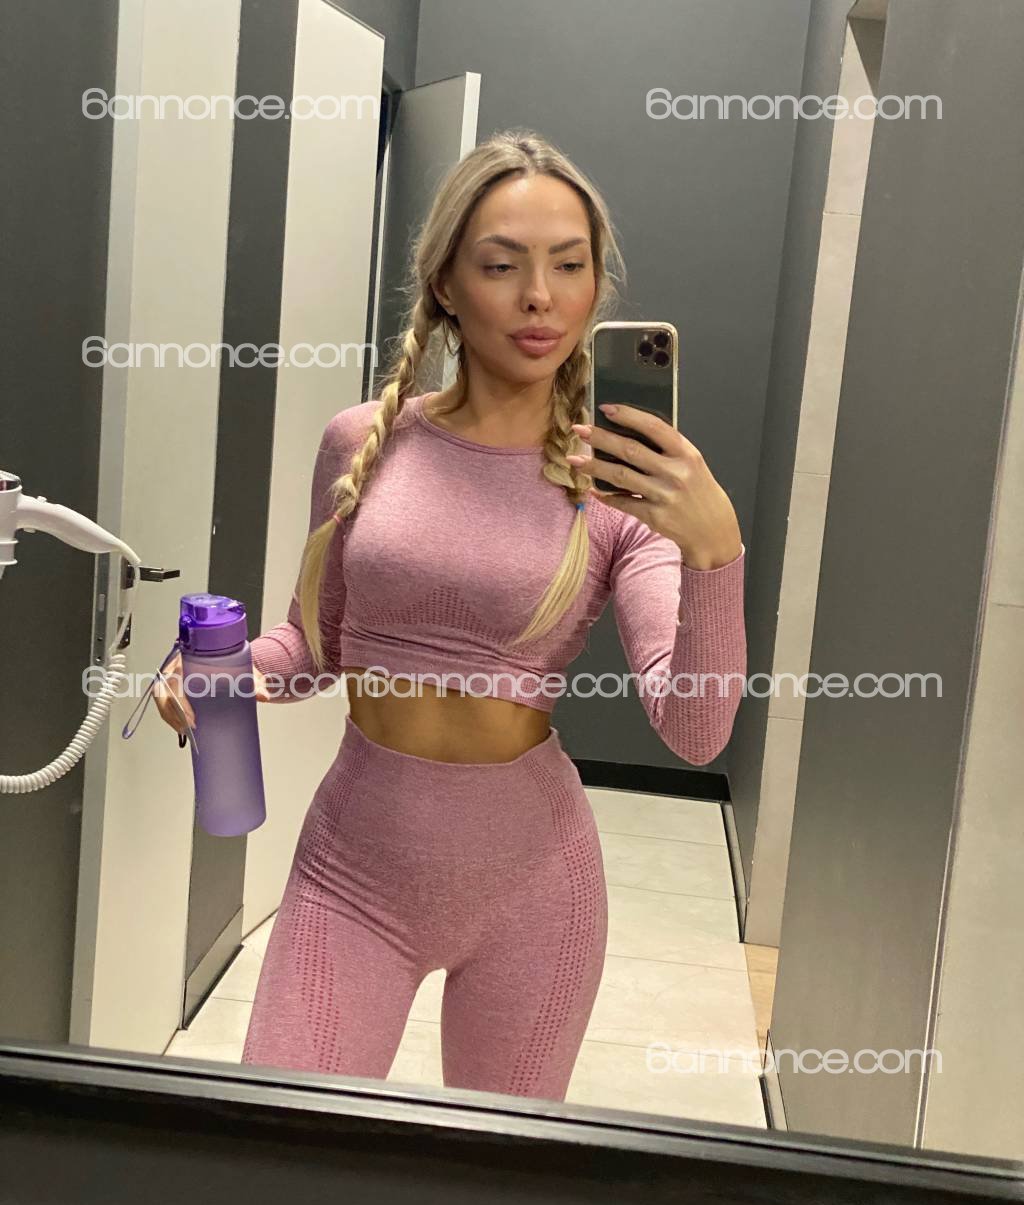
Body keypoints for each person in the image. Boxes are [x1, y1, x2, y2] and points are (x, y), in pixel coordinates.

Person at [155, 129, 747, 1102]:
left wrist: (714, 552)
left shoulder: (617, 493)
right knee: (280, 1142)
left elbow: (694, 729)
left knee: (493, 1179)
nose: (539, 296)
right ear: (445, 284)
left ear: (596, 287)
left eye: (569, 265)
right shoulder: (362, 442)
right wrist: (215, 671)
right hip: (351, 865)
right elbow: (309, 649)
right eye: (501, 265)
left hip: (534, 883)